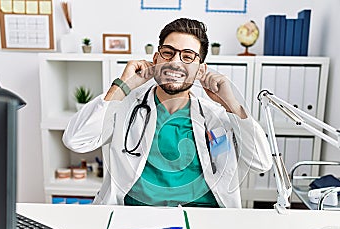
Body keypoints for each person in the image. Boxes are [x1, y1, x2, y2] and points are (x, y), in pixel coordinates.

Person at [63, 18, 272, 208]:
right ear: (156, 59)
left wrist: (232, 105)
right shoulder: (124, 108)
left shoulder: (217, 118)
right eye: (168, 52)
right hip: (134, 218)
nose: (175, 62)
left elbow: (261, 162)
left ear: (200, 70)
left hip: (206, 220)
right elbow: (76, 140)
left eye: (188, 56)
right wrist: (121, 87)